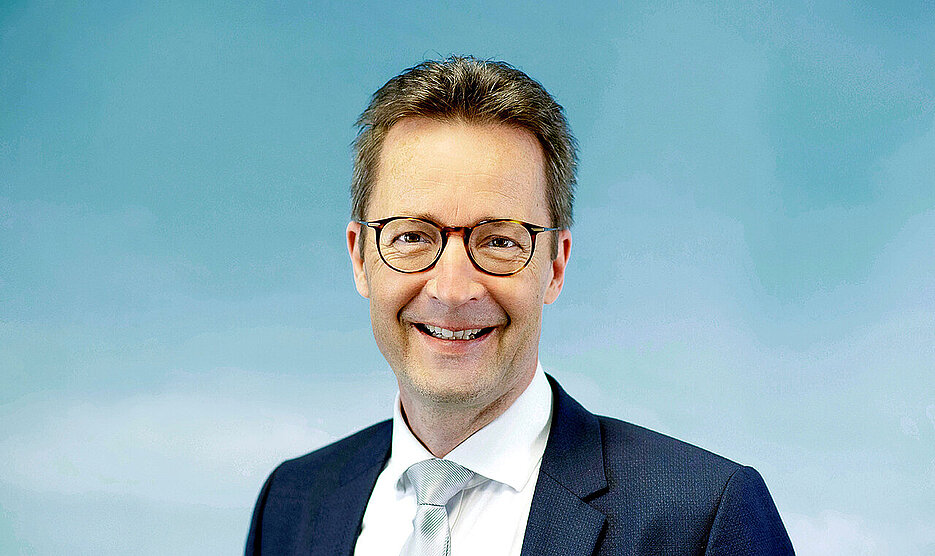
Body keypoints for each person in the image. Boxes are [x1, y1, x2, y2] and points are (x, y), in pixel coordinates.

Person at [245, 56, 794, 556]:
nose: (452, 289)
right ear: (360, 258)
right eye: (412, 236)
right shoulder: (290, 508)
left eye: (500, 241)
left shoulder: (704, 520)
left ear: (555, 265)